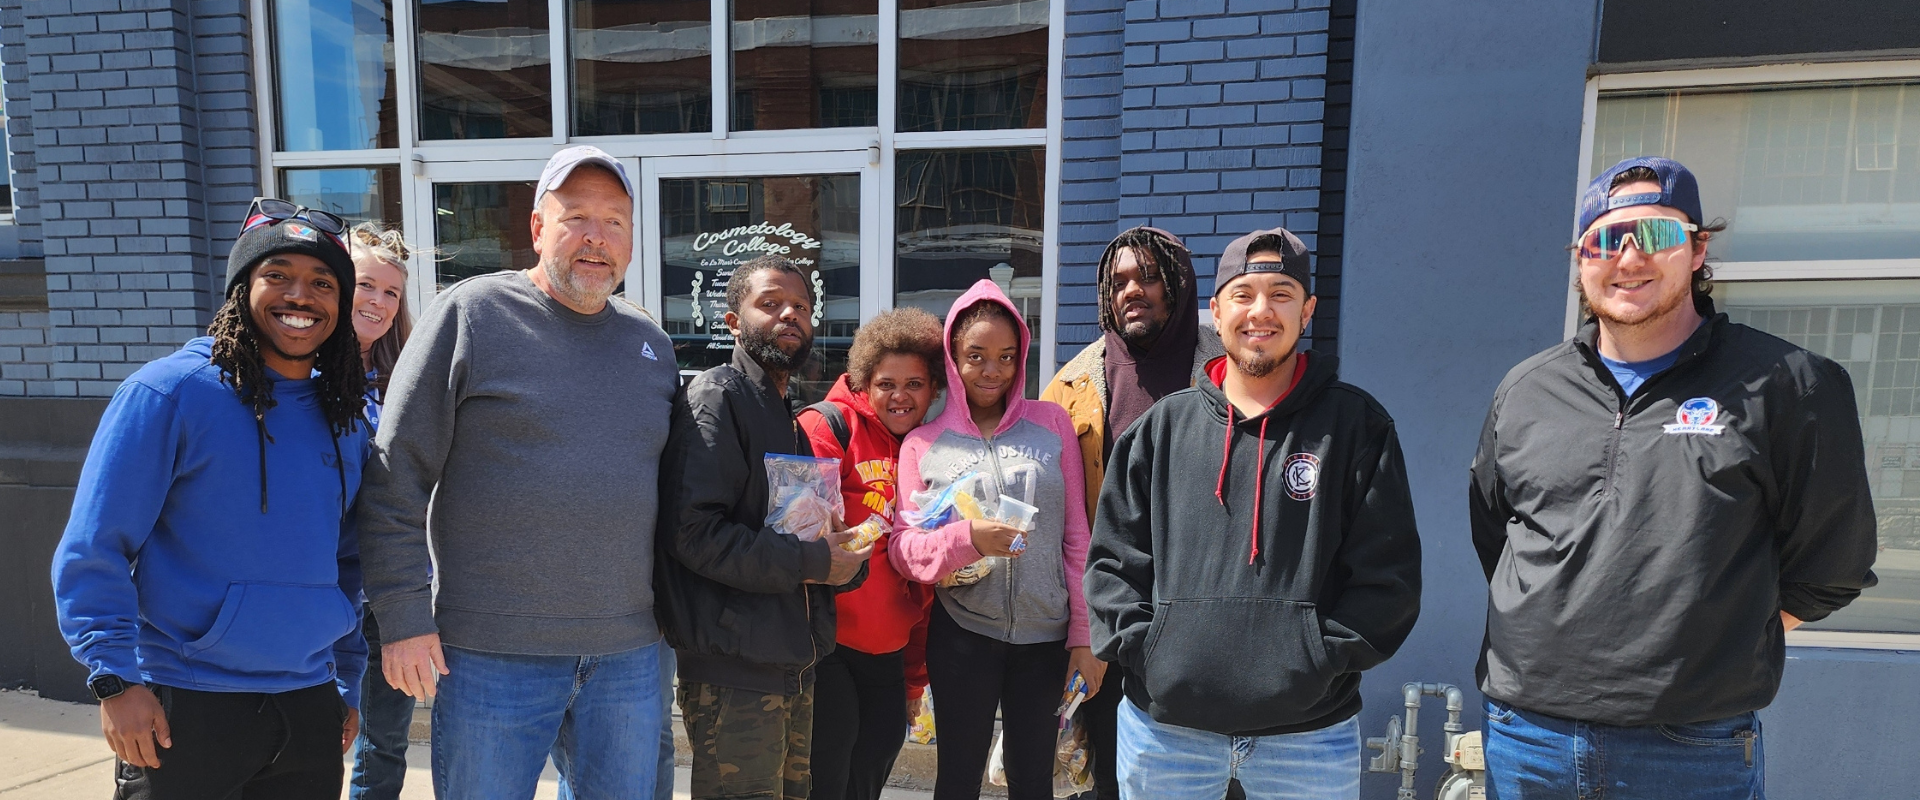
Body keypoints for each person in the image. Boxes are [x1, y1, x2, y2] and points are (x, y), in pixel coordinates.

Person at [1468, 157, 1879, 799]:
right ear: (1581, 260)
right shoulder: (1527, 390)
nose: (1628, 257)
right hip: (1526, 740)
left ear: (1697, 249)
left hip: (1689, 749)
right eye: (1606, 240)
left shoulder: (1789, 384)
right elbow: (1498, 537)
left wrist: (1717, 639)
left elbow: (1833, 562)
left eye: (1655, 235)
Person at [357, 145, 680, 800]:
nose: (596, 238)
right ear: (537, 228)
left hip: (628, 656)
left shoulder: (651, 345)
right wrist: (403, 616)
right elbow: (395, 478)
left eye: (615, 221)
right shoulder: (472, 316)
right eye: (576, 217)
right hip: (490, 655)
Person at [1085, 227, 1422, 800]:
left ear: (1307, 311)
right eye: (1242, 295)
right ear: (1216, 313)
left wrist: (1316, 660)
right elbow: (1111, 566)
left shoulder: (1357, 428)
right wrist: (1153, 654)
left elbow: (1388, 580)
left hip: (1308, 739)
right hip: (1166, 738)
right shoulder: (1158, 431)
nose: (1260, 311)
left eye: (1281, 294)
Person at [51, 202, 370, 800]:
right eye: (277, 275)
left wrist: (345, 680)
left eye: (322, 283)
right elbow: (96, 546)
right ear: (241, 289)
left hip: (308, 705)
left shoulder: (347, 418)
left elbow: (350, 564)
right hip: (185, 702)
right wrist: (115, 681)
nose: (300, 296)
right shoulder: (169, 393)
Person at [656, 254, 875, 800]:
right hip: (734, 672)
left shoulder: (787, 415)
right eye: (770, 303)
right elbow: (694, 534)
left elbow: (791, 535)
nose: (789, 315)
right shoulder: (717, 398)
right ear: (733, 321)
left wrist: (843, 558)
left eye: (801, 306)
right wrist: (815, 560)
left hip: (791, 662)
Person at [890, 279, 1097, 800]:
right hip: (963, 635)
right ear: (952, 358)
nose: (992, 371)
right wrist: (969, 538)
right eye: (976, 356)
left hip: (1046, 640)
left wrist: (1083, 636)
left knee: (1033, 781)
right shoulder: (923, 444)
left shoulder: (1052, 425)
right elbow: (904, 550)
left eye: (1006, 357)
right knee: (958, 780)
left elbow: (1077, 538)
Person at [1040, 226, 1222, 800]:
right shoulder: (1070, 386)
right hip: (1112, 623)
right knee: (1113, 781)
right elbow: (1057, 521)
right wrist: (1080, 629)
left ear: (1179, 284)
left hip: (1206, 621)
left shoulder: (1230, 372)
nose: (1132, 291)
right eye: (1118, 281)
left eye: (1148, 276)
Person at [799, 308, 946, 800]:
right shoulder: (828, 427)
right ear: (865, 382)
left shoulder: (928, 450)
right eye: (886, 384)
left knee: (878, 754)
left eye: (914, 384)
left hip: (890, 649)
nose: (900, 396)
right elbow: (796, 536)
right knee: (829, 770)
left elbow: (922, 574)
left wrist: (915, 680)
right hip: (827, 643)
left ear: (934, 388)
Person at [344, 222, 416, 800]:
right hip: (322, 594)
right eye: (366, 285)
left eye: (391, 292)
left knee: (385, 742)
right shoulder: (294, 376)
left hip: (387, 594)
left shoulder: (402, 381)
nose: (379, 301)